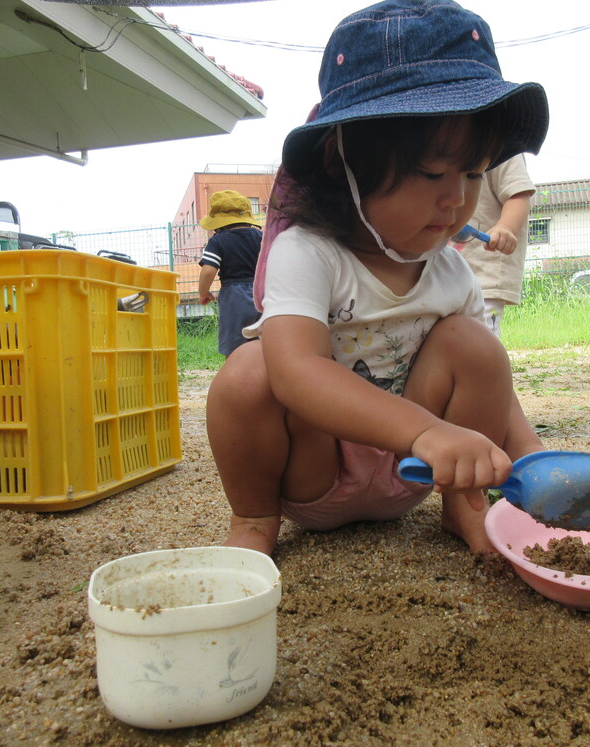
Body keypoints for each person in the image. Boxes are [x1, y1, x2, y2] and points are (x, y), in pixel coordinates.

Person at [206, 0, 549, 556]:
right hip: (313, 469)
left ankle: (465, 507)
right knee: (249, 372)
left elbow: (491, 383)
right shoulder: (309, 252)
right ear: (343, 163)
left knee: (478, 345)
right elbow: (297, 373)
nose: (457, 198)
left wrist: (531, 451)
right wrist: (423, 430)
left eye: (473, 172)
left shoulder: (450, 268)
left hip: (412, 472)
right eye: (433, 171)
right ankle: (252, 520)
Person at [462, 155, 536, 335]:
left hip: (483, 272)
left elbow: (518, 194)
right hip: (438, 272)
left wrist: (506, 227)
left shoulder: (504, 146)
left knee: (480, 340)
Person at [197, 190, 264, 357]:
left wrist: (203, 292)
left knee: (235, 340)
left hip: (235, 297)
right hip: (264, 292)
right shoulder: (261, 237)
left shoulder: (218, 241)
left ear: (218, 222)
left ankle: (236, 372)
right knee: (265, 338)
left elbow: (208, 271)